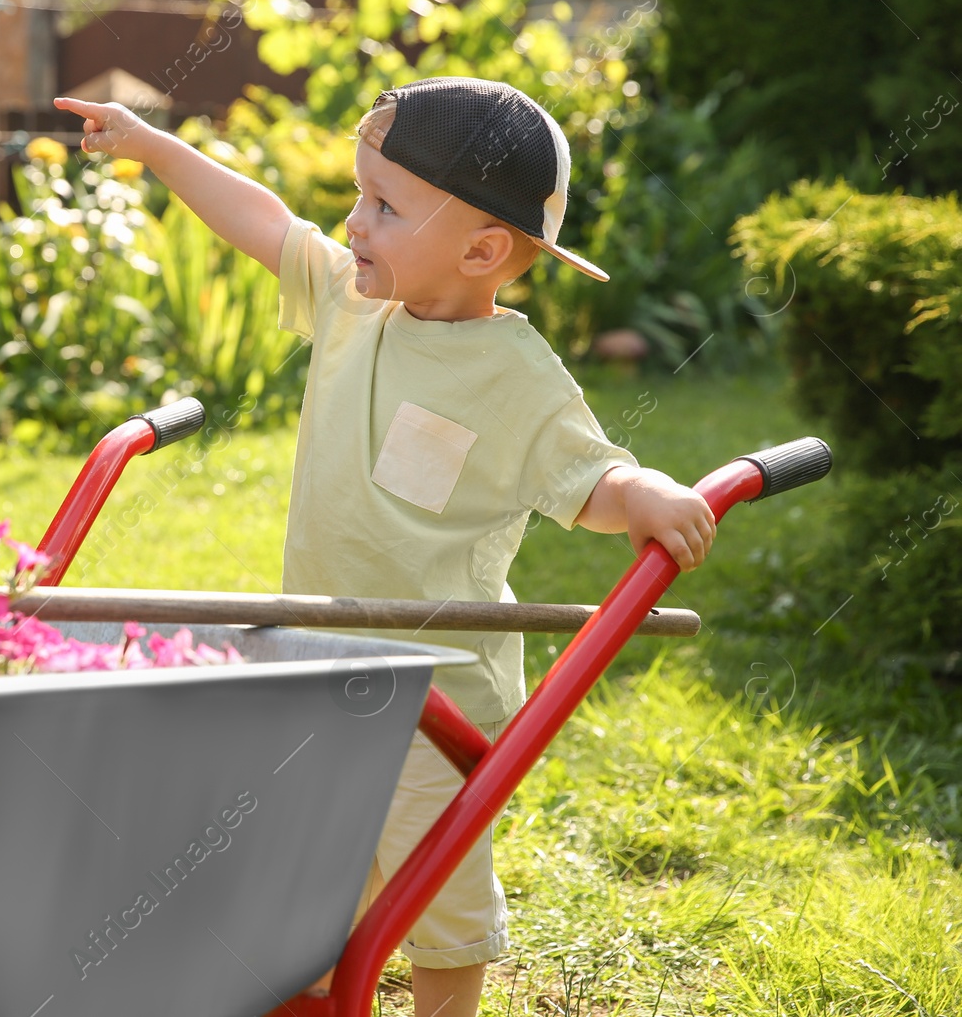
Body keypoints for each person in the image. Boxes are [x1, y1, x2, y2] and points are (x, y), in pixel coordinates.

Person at [55, 77, 715, 1017]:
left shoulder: (518, 377)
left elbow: (590, 478)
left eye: (384, 205)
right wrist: (153, 147)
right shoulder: (351, 302)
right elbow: (265, 219)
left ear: (483, 248)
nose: (353, 221)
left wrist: (644, 492)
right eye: (360, 195)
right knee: (304, 878)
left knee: (435, 898)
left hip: (437, 697)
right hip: (320, 663)